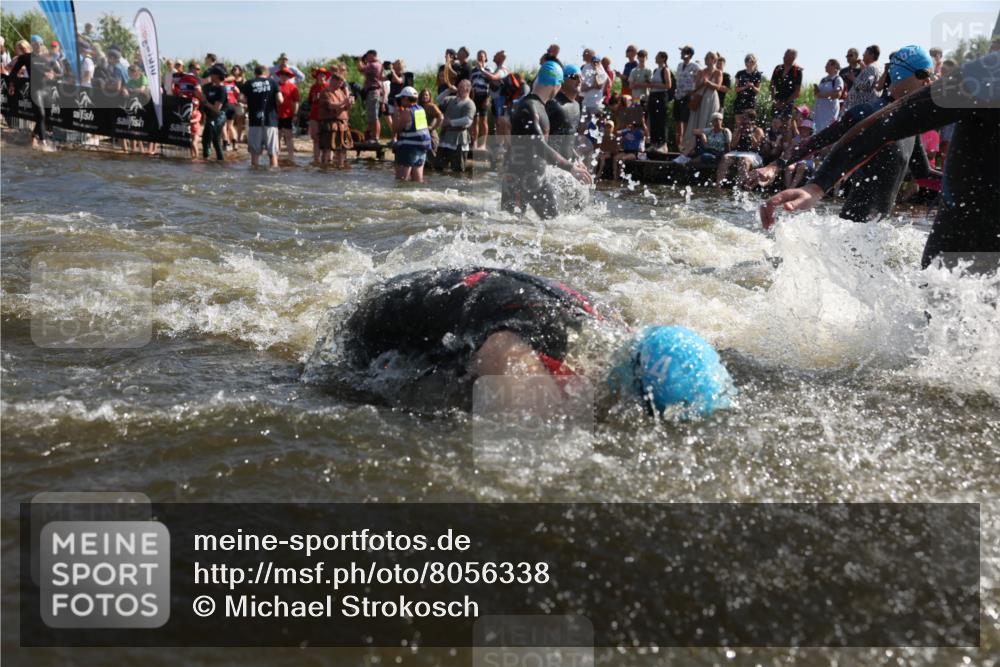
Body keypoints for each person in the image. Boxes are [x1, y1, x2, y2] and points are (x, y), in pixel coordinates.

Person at [303, 267, 736, 419]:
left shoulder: (615, 331)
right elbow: (520, 430)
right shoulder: (533, 338)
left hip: (450, 292)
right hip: (371, 323)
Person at [758, 45, 1000, 274]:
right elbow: (818, 141)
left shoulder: (911, 128)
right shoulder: (867, 114)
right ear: (899, 76)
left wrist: (957, 189)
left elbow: (922, 175)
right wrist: (783, 168)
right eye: (922, 73)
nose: (929, 79)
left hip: (879, 231)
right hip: (854, 225)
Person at [501, 61, 593, 219]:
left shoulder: (539, 106)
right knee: (511, 226)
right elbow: (538, 145)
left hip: (536, 175)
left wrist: (574, 159)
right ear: (557, 83)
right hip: (520, 177)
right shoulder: (529, 106)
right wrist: (571, 167)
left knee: (551, 224)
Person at [240, 64, 283, 168]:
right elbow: (280, 100)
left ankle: (255, 174)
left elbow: (242, 99)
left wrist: (251, 100)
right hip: (270, 120)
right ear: (267, 73)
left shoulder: (249, 83)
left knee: (255, 153)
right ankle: (273, 175)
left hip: (255, 120)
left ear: (255, 73)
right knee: (272, 152)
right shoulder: (273, 83)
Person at [681, 51, 722, 153]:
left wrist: (707, 82)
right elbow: (696, 86)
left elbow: (718, 86)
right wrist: (699, 84)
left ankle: (708, 146)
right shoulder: (701, 71)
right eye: (705, 57)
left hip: (711, 97)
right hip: (700, 97)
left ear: (713, 59)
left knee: (708, 120)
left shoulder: (718, 72)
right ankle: (692, 146)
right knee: (696, 120)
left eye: (708, 58)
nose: (705, 59)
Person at [391, 86, 432, 182]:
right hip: (421, 149)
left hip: (408, 150)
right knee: (417, 182)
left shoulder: (407, 112)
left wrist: (396, 113)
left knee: (401, 182)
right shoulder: (420, 109)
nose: (400, 101)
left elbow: (396, 129)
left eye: (401, 98)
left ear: (406, 99)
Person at [716, 109, 765, 187]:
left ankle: (740, 187)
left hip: (752, 154)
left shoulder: (758, 130)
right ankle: (718, 185)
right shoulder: (739, 128)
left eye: (745, 118)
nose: (743, 119)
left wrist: (750, 132)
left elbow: (756, 146)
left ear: (751, 119)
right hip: (738, 152)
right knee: (725, 158)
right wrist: (739, 131)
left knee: (743, 160)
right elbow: (732, 145)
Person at [544, 63, 583, 161]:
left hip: (566, 165)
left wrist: (576, 158)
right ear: (562, 80)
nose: (579, 80)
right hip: (550, 164)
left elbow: (568, 137)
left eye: (581, 77)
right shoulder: (552, 103)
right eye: (574, 77)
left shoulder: (577, 106)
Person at [315, 70, 353, 168]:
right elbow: (331, 105)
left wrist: (349, 103)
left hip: (342, 124)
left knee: (342, 148)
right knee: (327, 148)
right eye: (339, 81)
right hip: (329, 125)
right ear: (333, 81)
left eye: (341, 82)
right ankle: (324, 168)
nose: (341, 84)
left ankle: (340, 167)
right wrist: (344, 102)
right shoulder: (325, 92)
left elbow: (346, 107)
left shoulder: (341, 92)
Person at [436, 79, 476, 172]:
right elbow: (438, 100)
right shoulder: (452, 99)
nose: (458, 89)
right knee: (438, 168)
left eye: (461, 87)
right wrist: (448, 91)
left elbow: (468, 120)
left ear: (467, 89)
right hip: (445, 138)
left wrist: (450, 122)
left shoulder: (470, 103)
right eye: (458, 87)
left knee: (457, 171)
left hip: (459, 140)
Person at [199, 66, 228, 161]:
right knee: (205, 140)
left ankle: (221, 161)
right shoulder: (209, 87)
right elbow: (201, 90)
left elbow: (217, 109)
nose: (210, 75)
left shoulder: (222, 90)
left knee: (215, 139)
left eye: (212, 74)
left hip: (218, 117)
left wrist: (205, 102)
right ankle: (206, 160)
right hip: (210, 117)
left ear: (217, 75)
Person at [645, 51, 673, 151]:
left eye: (657, 57)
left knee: (661, 120)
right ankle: (654, 143)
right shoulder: (656, 70)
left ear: (663, 58)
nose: (655, 58)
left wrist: (653, 85)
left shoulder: (665, 70)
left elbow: (668, 85)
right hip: (653, 95)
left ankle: (662, 144)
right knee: (653, 120)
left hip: (661, 96)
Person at [674, 45, 700, 150]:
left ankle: (686, 146)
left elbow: (700, 79)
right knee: (677, 121)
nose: (681, 54)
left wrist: (694, 92)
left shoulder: (695, 66)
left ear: (689, 54)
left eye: (683, 52)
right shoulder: (679, 65)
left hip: (687, 96)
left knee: (686, 122)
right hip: (678, 96)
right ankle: (679, 146)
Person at [357, 50, 383, 141]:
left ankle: (375, 137)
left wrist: (360, 60)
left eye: (367, 56)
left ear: (372, 55)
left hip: (373, 91)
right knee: (372, 115)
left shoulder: (373, 65)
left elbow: (360, 69)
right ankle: (374, 136)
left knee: (374, 116)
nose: (366, 58)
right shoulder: (378, 64)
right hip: (373, 92)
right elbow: (364, 73)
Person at [275, 67, 300, 161]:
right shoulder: (275, 85)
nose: (284, 76)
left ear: (289, 76)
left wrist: (295, 114)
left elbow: (296, 101)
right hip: (276, 114)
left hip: (288, 114)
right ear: (279, 75)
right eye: (282, 74)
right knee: (278, 136)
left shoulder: (293, 87)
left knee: (289, 136)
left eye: (286, 75)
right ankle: (276, 155)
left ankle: (291, 156)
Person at [845, 44, 880, 110]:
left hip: (863, 107)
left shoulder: (872, 68)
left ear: (872, 55)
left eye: (865, 53)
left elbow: (866, 85)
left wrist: (853, 79)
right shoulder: (870, 67)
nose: (863, 55)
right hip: (859, 106)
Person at [470, 50, 493, 150]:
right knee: (475, 121)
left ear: (485, 58)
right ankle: (474, 143)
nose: (480, 58)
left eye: (482, 56)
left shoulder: (489, 69)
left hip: (484, 96)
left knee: (484, 121)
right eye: (478, 56)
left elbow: (491, 84)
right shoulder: (473, 70)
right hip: (475, 96)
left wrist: (487, 98)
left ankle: (483, 143)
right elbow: (471, 84)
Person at [307, 68, 331, 162]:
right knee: (315, 137)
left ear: (326, 77)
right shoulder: (313, 87)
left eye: (323, 75)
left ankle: (328, 159)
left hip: (326, 116)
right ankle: (316, 160)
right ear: (316, 77)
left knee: (327, 139)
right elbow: (309, 101)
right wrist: (314, 99)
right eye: (319, 75)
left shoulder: (329, 87)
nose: (321, 76)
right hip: (314, 114)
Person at [813, 59, 844, 131]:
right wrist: (816, 91)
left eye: (828, 64)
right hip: (819, 111)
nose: (825, 66)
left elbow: (838, 94)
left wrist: (822, 95)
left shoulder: (837, 79)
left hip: (829, 112)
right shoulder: (823, 79)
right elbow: (818, 94)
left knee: (827, 130)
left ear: (834, 66)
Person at [769, 49, 802, 117]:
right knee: (773, 123)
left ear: (793, 58)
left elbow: (797, 92)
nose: (783, 57)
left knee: (785, 124)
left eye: (786, 56)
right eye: (784, 55)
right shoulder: (778, 68)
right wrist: (774, 100)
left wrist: (785, 103)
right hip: (777, 100)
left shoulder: (797, 71)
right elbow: (772, 85)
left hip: (788, 103)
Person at [733, 53, 762, 124]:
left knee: (750, 124)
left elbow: (758, 91)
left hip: (751, 102)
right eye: (748, 61)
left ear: (755, 62)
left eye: (752, 61)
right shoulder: (739, 73)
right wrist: (745, 87)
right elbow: (736, 89)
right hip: (740, 101)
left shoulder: (758, 74)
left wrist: (752, 86)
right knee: (739, 124)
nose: (749, 63)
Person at [580, 49, 608, 118]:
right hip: (585, 104)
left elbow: (598, 85)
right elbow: (582, 87)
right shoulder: (585, 68)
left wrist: (595, 70)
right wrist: (592, 86)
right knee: (583, 127)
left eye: (584, 54)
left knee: (594, 126)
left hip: (595, 104)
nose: (583, 56)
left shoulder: (600, 69)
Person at [418, 88, 444, 154]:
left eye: (426, 95)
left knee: (433, 157)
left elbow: (441, 117)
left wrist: (433, 127)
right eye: (423, 95)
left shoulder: (431, 106)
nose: (424, 96)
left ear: (430, 96)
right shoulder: (419, 107)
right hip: (421, 135)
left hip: (431, 136)